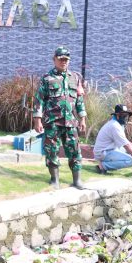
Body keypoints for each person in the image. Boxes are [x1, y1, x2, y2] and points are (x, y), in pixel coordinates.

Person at [33, 46, 87, 189]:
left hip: (71, 123)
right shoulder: (47, 78)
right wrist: (37, 120)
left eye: (66, 60)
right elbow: (39, 100)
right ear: (54, 59)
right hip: (53, 122)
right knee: (52, 151)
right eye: (61, 59)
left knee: (75, 151)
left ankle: (77, 181)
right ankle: (54, 180)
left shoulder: (75, 78)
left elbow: (79, 100)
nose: (63, 62)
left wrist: (82, 118)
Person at [93, 104, 132, 173]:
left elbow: (125, 141)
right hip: (103, 152)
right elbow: (126, 145)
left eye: (127, 115)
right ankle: (103, 166)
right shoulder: (115, 126)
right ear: (117, 115)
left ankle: (108, 163)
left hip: (108, 150)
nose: (126, 117)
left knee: (129, 151)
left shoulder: (117, 124)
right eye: (124, 115)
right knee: (131, 160)